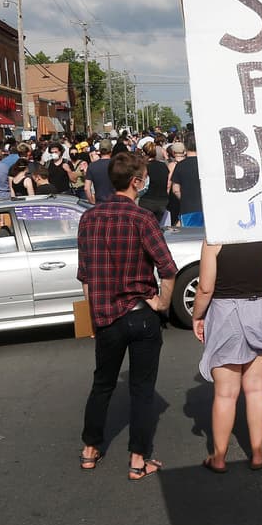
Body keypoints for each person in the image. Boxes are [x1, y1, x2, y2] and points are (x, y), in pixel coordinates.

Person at [76, 153, 178, 480]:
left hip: (105, 316)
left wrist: (91, 318)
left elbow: (87, 277)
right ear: (136, 182)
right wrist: (162, 302)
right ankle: (137, 459)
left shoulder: (89, 219)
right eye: (145, 177)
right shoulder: (143, 218)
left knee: (101, 383)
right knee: (142, 389)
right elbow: (168, 268)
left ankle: (90, 449)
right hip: (140, 314)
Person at [191, 240, 262, 472]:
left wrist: (196, 316)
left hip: (225, 313)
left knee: (226, 393)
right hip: (261, 307)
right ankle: (257, 453)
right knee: (256, 387)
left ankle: (219, 457)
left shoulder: (214, 242)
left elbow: (205, 288)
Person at [171, 134, 203, 226]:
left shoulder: (180, 165)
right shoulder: (205, 165)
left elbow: (175, 190)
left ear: (185, 146)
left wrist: (185, 199)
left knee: (191, 238)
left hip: (188, 209)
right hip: (207, 208)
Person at [83, 139, 116, 204]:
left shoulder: (92, 166)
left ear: (99, 151)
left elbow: (86, 188)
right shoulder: (116, 164)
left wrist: (91, 201)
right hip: (115, 203)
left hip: (100, 203)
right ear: (111, 150)